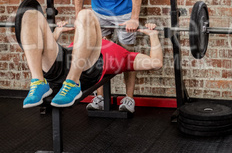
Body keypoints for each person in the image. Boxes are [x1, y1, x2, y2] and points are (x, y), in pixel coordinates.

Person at [18, 7, 163, 109]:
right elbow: (43, 49)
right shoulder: (81, 40)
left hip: (86, 69)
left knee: (85, 14)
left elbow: (156, 63)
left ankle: (72, 83)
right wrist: (57, 32)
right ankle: (38, 82)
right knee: (31, 14)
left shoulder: (125, 55)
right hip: (62, 63)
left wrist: (153, 35)